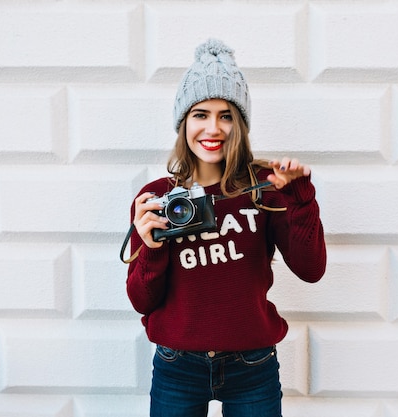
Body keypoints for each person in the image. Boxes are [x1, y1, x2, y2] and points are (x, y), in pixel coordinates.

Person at [125, 38, 327, 417]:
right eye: (200, 114)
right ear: (184, 122)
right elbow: (141, 300)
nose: (213, 128)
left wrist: (300, 199)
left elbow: (311, 270)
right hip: (176, 364)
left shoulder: (264, 187)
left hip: (252, 364)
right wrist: (152, 247)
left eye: (226, 115)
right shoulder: (158, 197)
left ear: (241, 124)